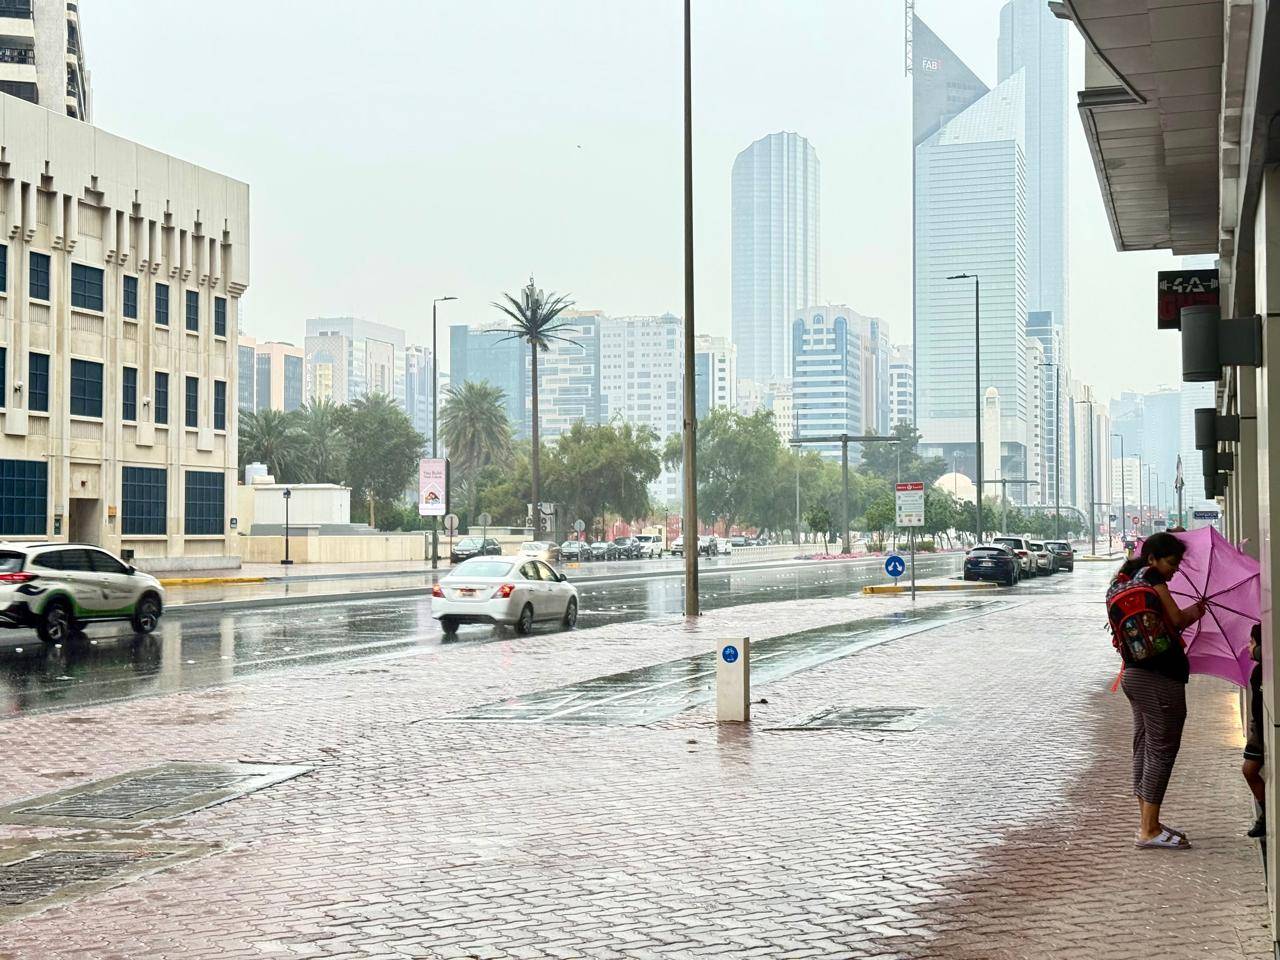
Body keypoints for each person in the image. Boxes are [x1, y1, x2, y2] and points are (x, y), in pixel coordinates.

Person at [1109, 532, 1206, 850]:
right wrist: (1195, 612)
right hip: (1160, 677)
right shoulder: (1152, 577)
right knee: (1162, 750)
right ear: (1152, 558)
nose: (1174, 570)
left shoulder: (1123, 580)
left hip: (1133, 674)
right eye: (1171, 563)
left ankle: (1147, 822)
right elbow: (1176, 619)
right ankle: (1149, 830)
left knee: (1144, 747)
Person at [1243, 623, 1266, 838]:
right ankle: (1266, 812)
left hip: (1263, 729)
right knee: (1249, 770)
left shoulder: (1266, 669)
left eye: (1251, 642)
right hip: (1258, 728)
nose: (1248, 647)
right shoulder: (1258, 670)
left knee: (1250, 770)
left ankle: (1267, 815)